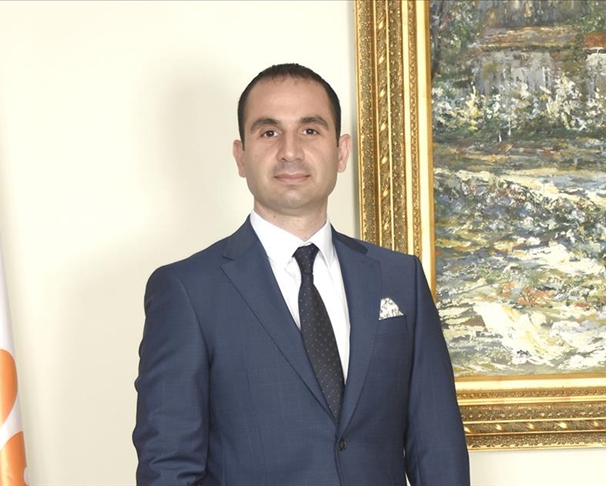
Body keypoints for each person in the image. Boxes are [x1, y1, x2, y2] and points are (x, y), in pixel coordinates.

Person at [133, 63, 470, 486]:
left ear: (341, 151)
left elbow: (437, 449)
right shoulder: (187, 291)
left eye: (310, 130)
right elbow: (168, 468)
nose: (290, 151)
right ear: (241, 156)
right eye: (268, 132)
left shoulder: (400, 279)